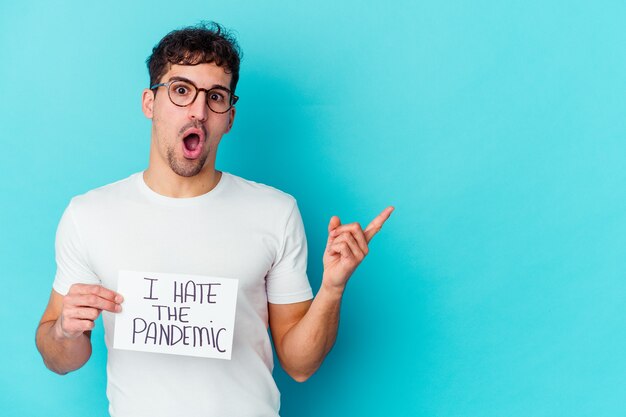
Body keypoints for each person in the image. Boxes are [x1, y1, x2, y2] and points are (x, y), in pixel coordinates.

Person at [35, 22, 393, 417]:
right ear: (149, 103)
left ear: (230, 117)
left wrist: (332, 289)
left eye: (216, 96)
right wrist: (65, 330)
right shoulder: (90, 215)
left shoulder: (275, 212)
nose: (198, 111)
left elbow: (300, 365)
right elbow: (59, 359)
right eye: (181, 90)